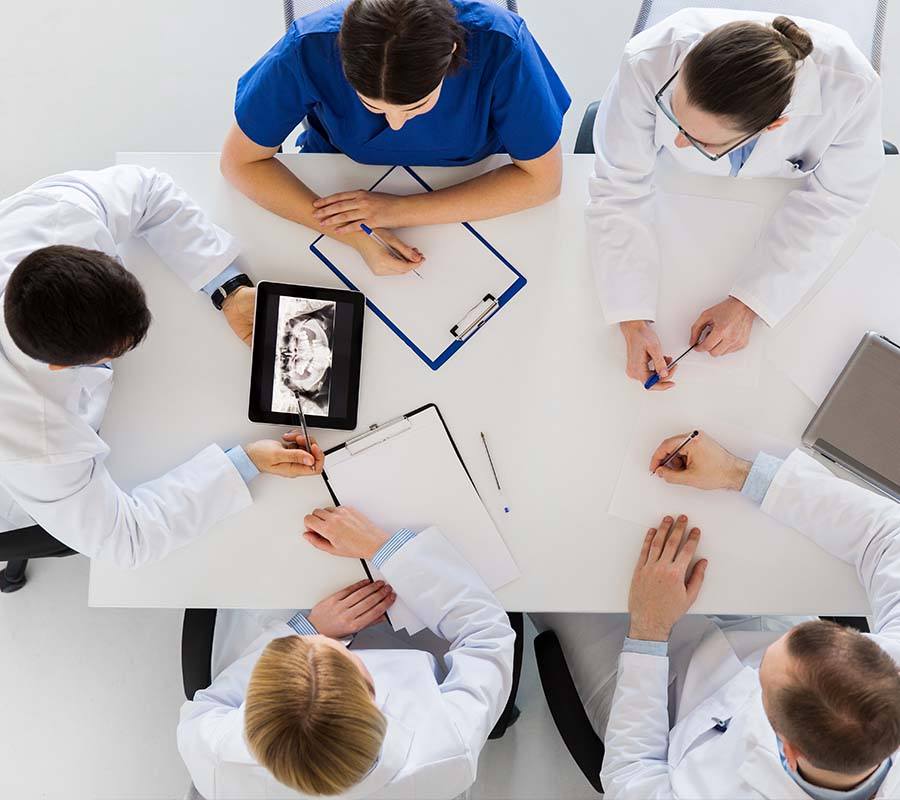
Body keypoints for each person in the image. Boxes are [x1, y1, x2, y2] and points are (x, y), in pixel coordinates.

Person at [0, 166, 325, 576]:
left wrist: (227, 289)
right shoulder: (36, 441)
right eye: (111, 354)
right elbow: (126, 539)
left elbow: (149, 190)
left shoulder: (57, 216)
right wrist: (243, 463)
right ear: (62, 365)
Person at [537, 431, 900, 799]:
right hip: (763, 617)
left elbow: (630, 776)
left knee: (548, 564)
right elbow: (890, 534)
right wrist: (736, 473)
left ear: (788, 752)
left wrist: (649, 628)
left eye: (765, 677)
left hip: (661, 701)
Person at [588, 9, 883, 390]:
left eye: (700, 141)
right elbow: (618, 186)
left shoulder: (851, 84)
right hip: (678, 198)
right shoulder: (650, 58)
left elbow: (837, 199)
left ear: (774, 125)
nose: (678, 141)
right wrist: (630, 317)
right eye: (673, 117)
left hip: (764, 207)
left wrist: (750, 302)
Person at [177, 506, 515, 799]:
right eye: (337, 651)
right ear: (372, 685)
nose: (318, 641)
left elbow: (209, 704)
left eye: (298, 647)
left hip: (310, 612)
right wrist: (382, 548)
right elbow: (487, 634)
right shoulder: (448, 749)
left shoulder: (213, 755)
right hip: (418, 642)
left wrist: (307, 628)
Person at [221, 0, 570, 276]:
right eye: (370, 105)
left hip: (476, 186)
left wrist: (397, 209)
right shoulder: (309, 46)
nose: (396, 124)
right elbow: (240, 162)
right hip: (337, 179)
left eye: (417, 105)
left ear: (451, 51)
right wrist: (352, 233)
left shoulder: (502, 44)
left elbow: (543, 181)